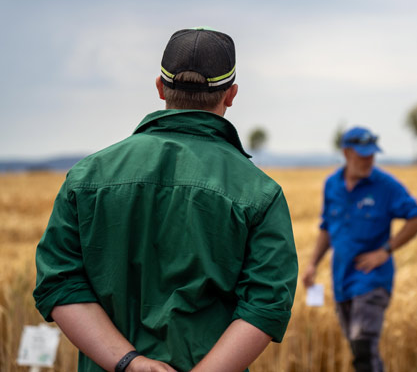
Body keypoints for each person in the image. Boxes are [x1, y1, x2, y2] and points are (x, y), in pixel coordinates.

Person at [33, 27, 298, 372]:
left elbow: (59, 282)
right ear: (231, 95)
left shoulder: (85, 178)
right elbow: (266, 304)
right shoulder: (261, 193)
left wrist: (131, 363)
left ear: (160, 88)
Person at [302, 126, 417, 372]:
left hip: (372, 282)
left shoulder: (386, 185)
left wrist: (386, 250)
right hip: (342, 280)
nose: (369, 160)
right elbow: (327, 227)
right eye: (363, 155)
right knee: (362, 353)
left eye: (372, 154)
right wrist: (312, 265)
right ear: (346, 153)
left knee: (362, 348)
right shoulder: (332, 185)